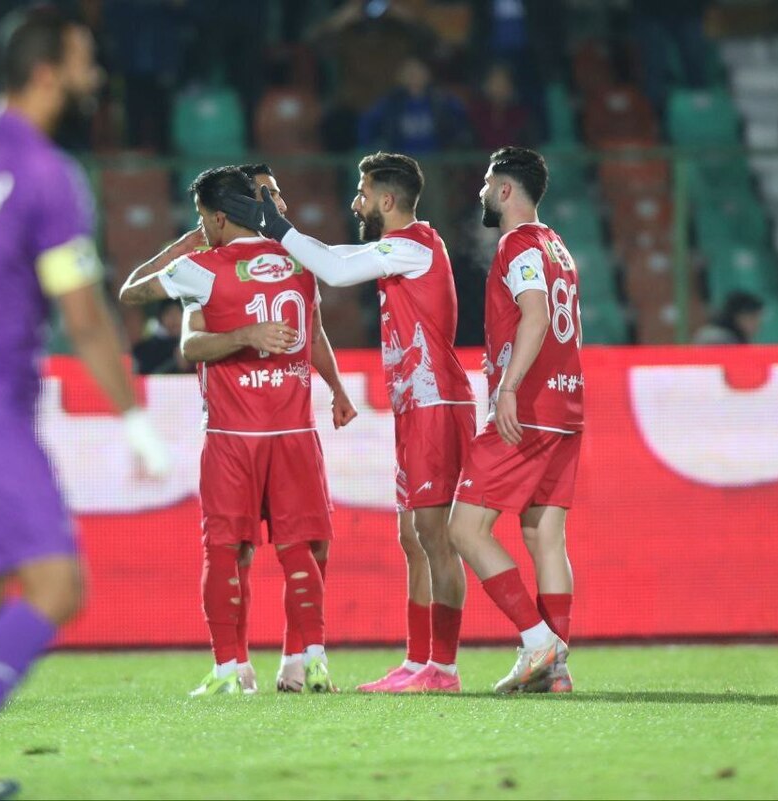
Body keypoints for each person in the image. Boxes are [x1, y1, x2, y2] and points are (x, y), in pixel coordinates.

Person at [0, 8, 170, 799]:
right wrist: (135, 418)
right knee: (56, 586)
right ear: (47, 73)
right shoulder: (45, 172)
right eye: (84, 63)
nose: (95, 77)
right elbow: (84, 315)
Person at [224, 152, 476, 694]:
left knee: (435, 537)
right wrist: (283, 237)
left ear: (387, 199)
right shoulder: (396, 250)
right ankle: (417, 661)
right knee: (412, 537)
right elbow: (336, 259)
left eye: (362, 193)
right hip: (414, 406)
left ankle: (444, 669)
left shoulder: (415, 245)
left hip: (436, 403)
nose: (355, 203)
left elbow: (336, 271)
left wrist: (276, 226)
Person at [119, 166, 343, 696]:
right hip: (294, 431)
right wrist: (337, 388)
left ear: (217, 218)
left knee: (224, 550)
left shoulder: (200, 268)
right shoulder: (300, 259)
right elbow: (314, 334)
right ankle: (312, 662)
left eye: (203, 218)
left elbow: (133, 294)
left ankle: (229, 672)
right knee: (300, 548)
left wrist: (188, 245)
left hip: (232, 436)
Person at [450, 146, 581, 694]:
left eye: (487, 183)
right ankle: (556, 671)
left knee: (464, 528)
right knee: (543, 533)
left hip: (527, 409)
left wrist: (507, 388)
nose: (481, 192)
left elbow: (536, 315)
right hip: (567, 406)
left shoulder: (519, 244)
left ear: (505, 190)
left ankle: (537, 641)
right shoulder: (557, 245)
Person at [237, 163, 357, 692]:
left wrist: (338, 388)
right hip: (240, 432)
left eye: (280, 194)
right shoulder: (217, 262)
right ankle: (233, 666)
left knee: (314, 544)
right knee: (238, 550)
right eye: (267, 194)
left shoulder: (299, 260)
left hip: (295, 428)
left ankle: (295, 659)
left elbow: (314, 333)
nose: (280, 204)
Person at [358, 57, 472, 154]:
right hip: (402, 162)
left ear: (427, 74)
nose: (414, 76)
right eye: (409, 72)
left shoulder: (440, 100)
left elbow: (461, 120)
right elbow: (368, 123)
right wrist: (374, 147)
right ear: (401, 76)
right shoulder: (391, 103)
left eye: (418, 71)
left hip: (436, 161)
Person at [693, 291, 764, 345]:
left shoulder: (739, 337)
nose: (757, 324)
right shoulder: (715, 338)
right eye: (753, 318)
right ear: (738, 317)